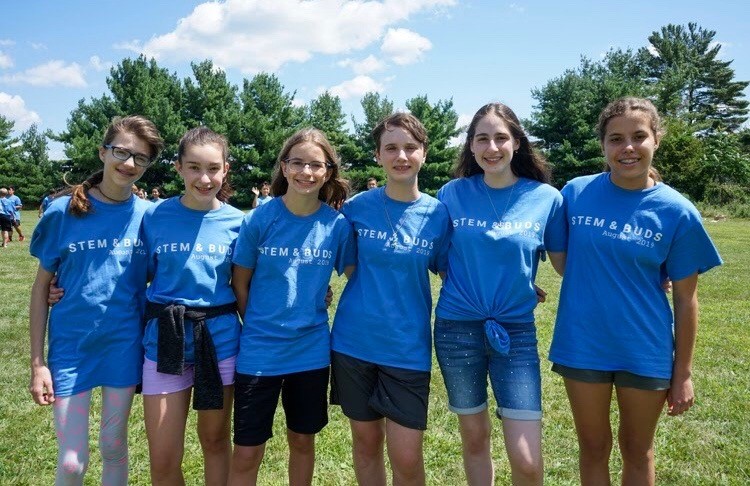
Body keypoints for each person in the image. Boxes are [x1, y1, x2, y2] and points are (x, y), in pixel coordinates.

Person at [549, 97, 723, 486]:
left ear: (656, 140)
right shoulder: (575, 194)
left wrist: (683, 372)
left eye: (638, 136)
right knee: (592, 447)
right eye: (616, 139)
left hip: (645, 348)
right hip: (582, 343)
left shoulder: (677, 211)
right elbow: (562, 262)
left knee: (637, 449)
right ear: (603, 146)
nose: (627, 147)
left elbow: (685, 298)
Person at [434, 102, 567, 485]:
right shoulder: (451, 193)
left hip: (517, 332)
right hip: (456, 331)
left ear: (517, 143)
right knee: (474, 438)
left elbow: (567, 265)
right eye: (482, 139)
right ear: (471, 146)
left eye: (501, 137)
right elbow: (439, 258)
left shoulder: (546, 198)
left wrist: (645, 273)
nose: (492, 147)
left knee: (526, 459)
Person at [28, 115, 164, 485]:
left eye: (141, 157)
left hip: (123, 345)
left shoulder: (151, 216)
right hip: (71, 348)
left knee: (113, 445)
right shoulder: (62, 212)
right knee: (72, 462)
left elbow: (163, 274)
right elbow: (41, 289)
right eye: (121, 151)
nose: (130, 163)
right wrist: (38, 364)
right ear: (103, 152)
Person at [228, 128, 354, 486]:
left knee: (302, 441)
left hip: (311, 351)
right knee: (248, 449)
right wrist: (259, 323)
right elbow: (240, 282)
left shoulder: (336, 226)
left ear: (328, 171)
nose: (306, 172)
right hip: (258, 351)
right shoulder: (258, 220)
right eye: (297, 163)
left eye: (316, 165)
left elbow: (358, 274)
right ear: (284, 167)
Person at [330, 112, 450, 485]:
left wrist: (514, 284)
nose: (402, 156)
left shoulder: (438, 214)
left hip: (407, 349)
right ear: (378, 155)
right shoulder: (356, 209)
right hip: (353, 343)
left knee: (408, 458)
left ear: (424, 154)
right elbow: (343, 265)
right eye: (391, 148)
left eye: (410, 147)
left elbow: (452, 274)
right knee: (365, 446)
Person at [140, 126, 244, 485]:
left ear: (225, 169)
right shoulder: (154, 217)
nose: (204, 178)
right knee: (164, 457)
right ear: (178, 168)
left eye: (213, 168)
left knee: (215, 440)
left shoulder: (238, 223)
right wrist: (61, 289)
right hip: (164, 342)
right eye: (194, 167)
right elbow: (133, 277)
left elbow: (253, 282)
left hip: (221, 342)